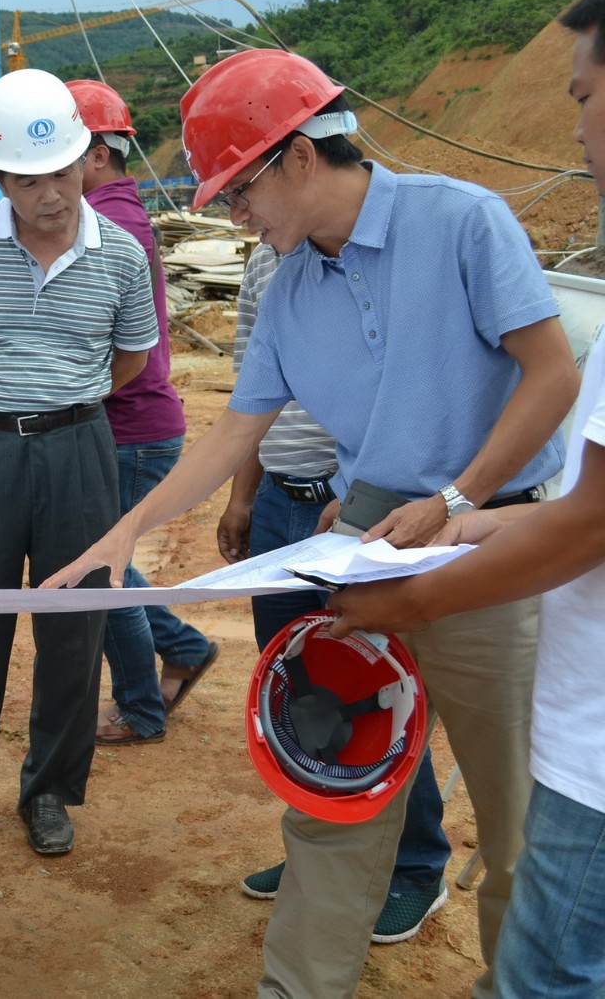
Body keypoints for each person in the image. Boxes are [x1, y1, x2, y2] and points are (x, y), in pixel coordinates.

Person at [44, 48, 578, 998]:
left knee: (517, 818)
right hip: (368, 542)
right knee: (337, 791)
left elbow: (552, 375)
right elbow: (233, 432)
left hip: (494, 539)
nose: (233, 216)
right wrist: (126, 532)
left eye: (239, 192)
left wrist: (456, 499)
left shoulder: (461, 221)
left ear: (297, 156)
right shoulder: (287, 284)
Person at [326, 0, 605, 996]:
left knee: (542, 963)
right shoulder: (297, 271)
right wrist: (470, 523)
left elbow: (587, 525)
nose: (573, 128)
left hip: (592, 750)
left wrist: (420, 583)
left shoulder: (462, 221)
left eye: (582, 96)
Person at [0, 69, 158, 856]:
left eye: (61, 173)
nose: (49, 194)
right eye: (26, 180)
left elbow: (129, 359)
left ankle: (50, 789)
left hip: (81, 450)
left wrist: (63, 400)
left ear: (86, 158)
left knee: (74, 628)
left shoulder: (122, 255)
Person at [218, 243, 452, 944]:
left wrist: (362, 497)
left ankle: (415, 868)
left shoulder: (378, 256)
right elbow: (251, 392)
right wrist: (243, 496)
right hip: (279, 503)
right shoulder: (263, 263)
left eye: (245, 193)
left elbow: (408, 391)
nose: (240, 213)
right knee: (301, 691)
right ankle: (320, 858)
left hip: (357, 512)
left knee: (379, 690)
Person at [67, 78, 218, 748]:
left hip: (130, 426)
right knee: (107, 563)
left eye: (61, 159)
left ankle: (139, 705)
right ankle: (182, 648)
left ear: (97, 155)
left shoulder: (111, 227)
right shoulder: (110, 215)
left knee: (101, 570)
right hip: (135, 423)